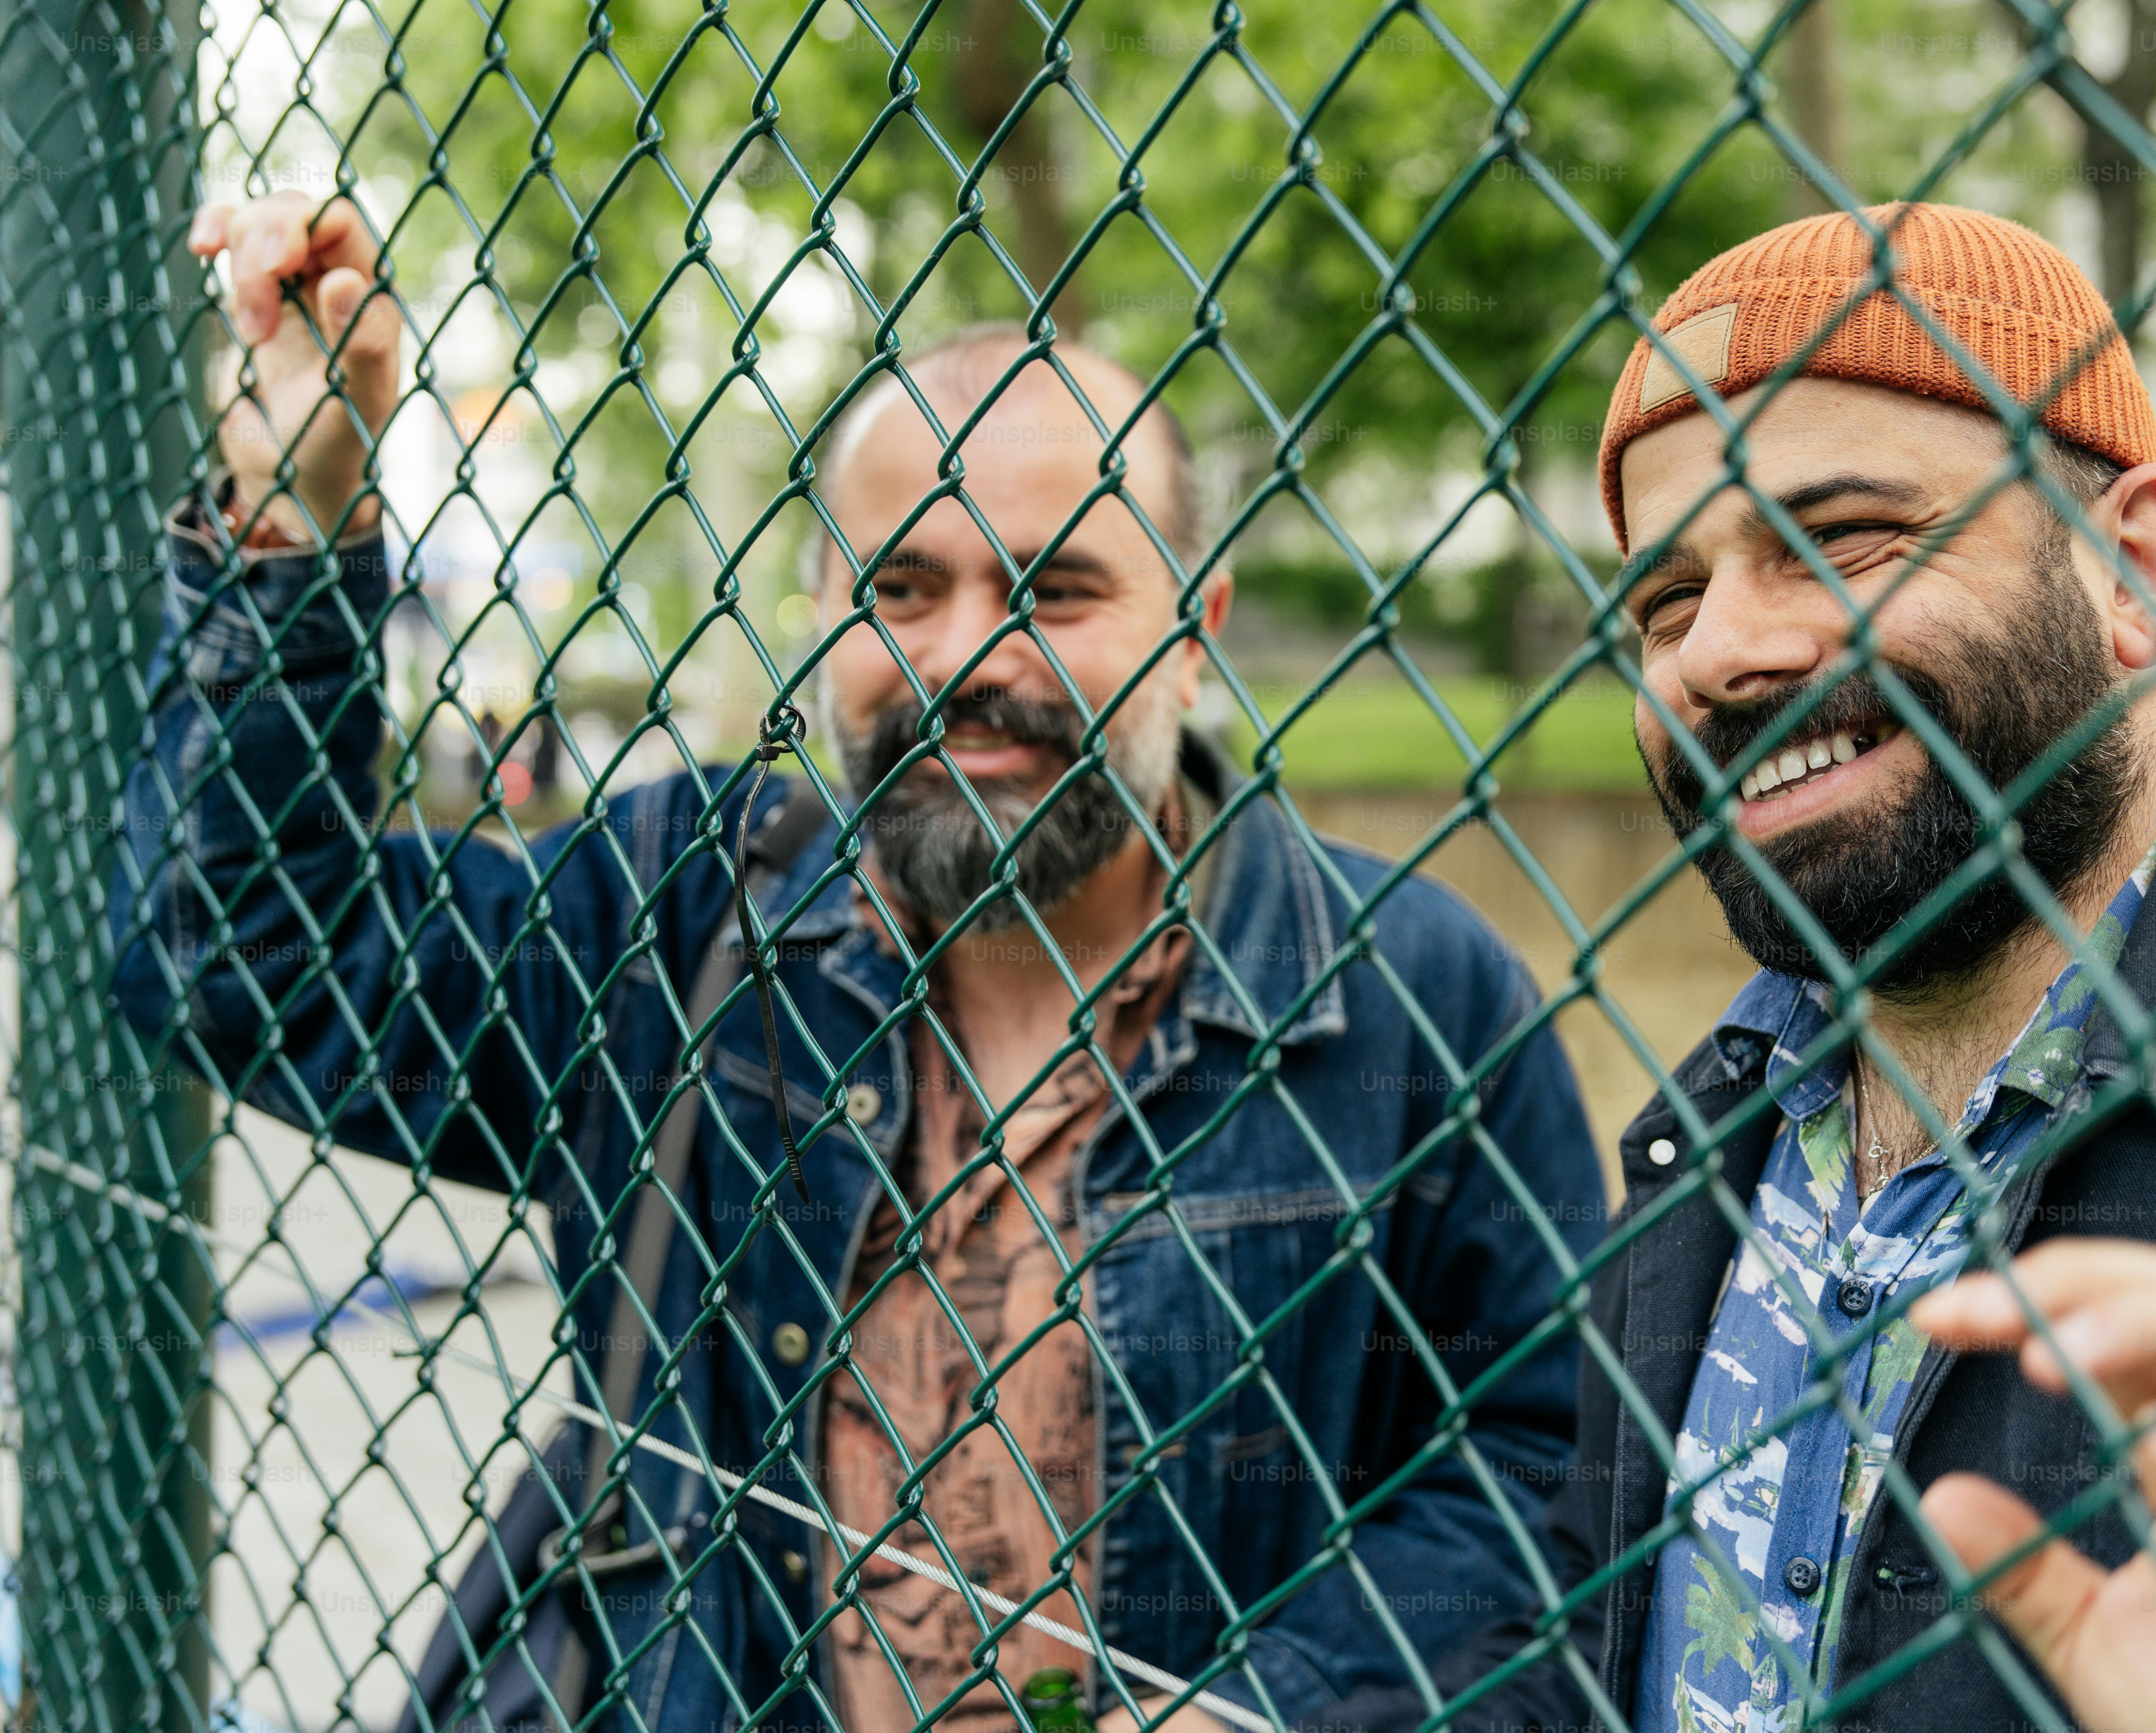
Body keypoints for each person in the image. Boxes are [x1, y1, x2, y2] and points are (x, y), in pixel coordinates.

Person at [111, 194, 1607, 1733]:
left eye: (1058, 588)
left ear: (1195, 626)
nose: (969, 655)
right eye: (904, 589)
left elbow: (1548, 1451)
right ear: (828, 606)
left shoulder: (1413, 987)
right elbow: (233, 958)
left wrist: (1275, 1708)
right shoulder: (676, 914)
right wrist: (300, 516)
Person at [1309, 204, 2156, 1733]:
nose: (1720, 649)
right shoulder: (1711, 1130)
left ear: (2130, 566)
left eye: (1838, 538)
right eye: (1663, 601)